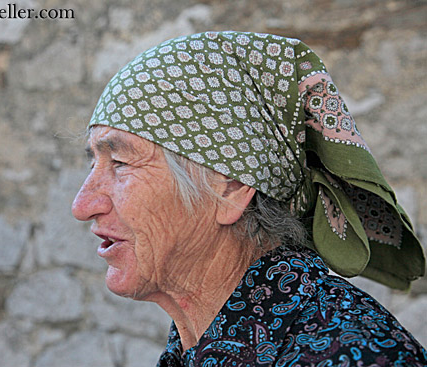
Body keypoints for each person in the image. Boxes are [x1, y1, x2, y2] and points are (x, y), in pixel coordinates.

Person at [71, 31, 427, 366]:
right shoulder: (197, 344)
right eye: (94, 163)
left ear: (231, 187)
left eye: (120, 162)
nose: (82, 205)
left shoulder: (350, 354)